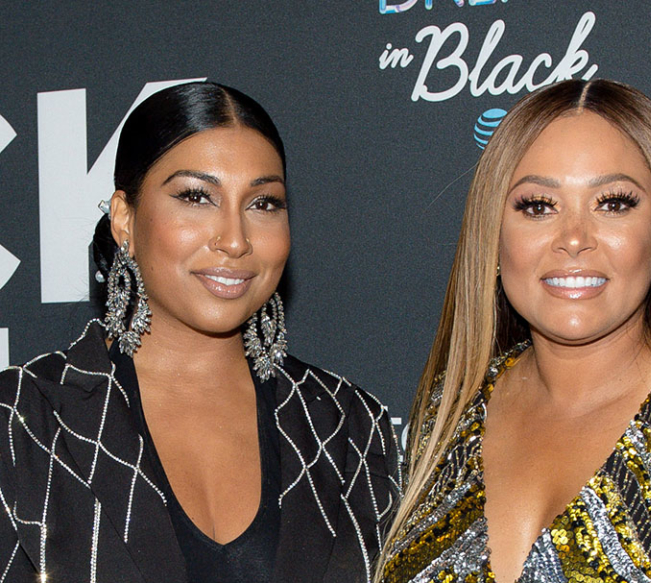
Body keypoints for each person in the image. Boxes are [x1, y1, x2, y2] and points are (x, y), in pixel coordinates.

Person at [0, 82, 400, 583]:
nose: (235, 239)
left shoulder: (349, 427)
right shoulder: (23, 421)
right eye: (196, 197)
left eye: (263, 204)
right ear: (125, 219)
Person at [377, 79, 651, 582]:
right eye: (538, 206)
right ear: (492, 236)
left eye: (613, 203)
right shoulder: (449, 414)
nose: (575, 239)